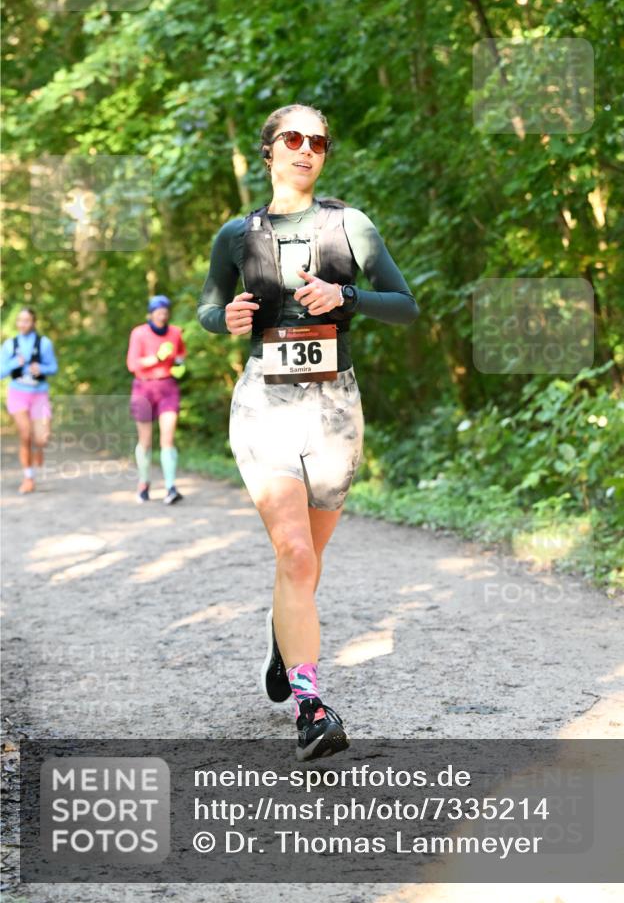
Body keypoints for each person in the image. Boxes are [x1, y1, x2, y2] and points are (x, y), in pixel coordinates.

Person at [197, 103, 419, 761]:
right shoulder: (237, 236)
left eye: (318, 141)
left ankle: (282, 635)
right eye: (292, 138)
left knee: (307, 562)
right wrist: (226, 317)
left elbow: (404, 306)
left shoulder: (348, 226)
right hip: (263, 404)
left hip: (334, 409)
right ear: (267, 151)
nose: (306, 149)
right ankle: (311, 707)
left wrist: (346, 298)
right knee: (293, 552)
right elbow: (209, 306)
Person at [126, 295, 187, 505]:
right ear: (151, 313)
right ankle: (144, 484)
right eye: (158, 311)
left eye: (165, 311)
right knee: (145, 440)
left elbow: (180, 356)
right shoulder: (139, 333)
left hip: (167, 387)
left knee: (167, 439)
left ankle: (170, 487)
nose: (162, 314)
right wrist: (157, 358)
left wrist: (180, 367)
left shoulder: (175, 332)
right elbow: (132, 365)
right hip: (143, 388)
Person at [1, 307, 58, 494]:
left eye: (26, 320)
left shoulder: (44, 343)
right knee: (25, 434)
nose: (22, 324)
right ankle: (28, 477)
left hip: (39, 394)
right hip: (18, 393)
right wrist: (13, 364)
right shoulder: (10, 345)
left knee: (41, 438)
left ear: (34, 322)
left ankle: (39, 448)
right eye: (20, 320)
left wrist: (41, 368)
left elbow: (53, 367)